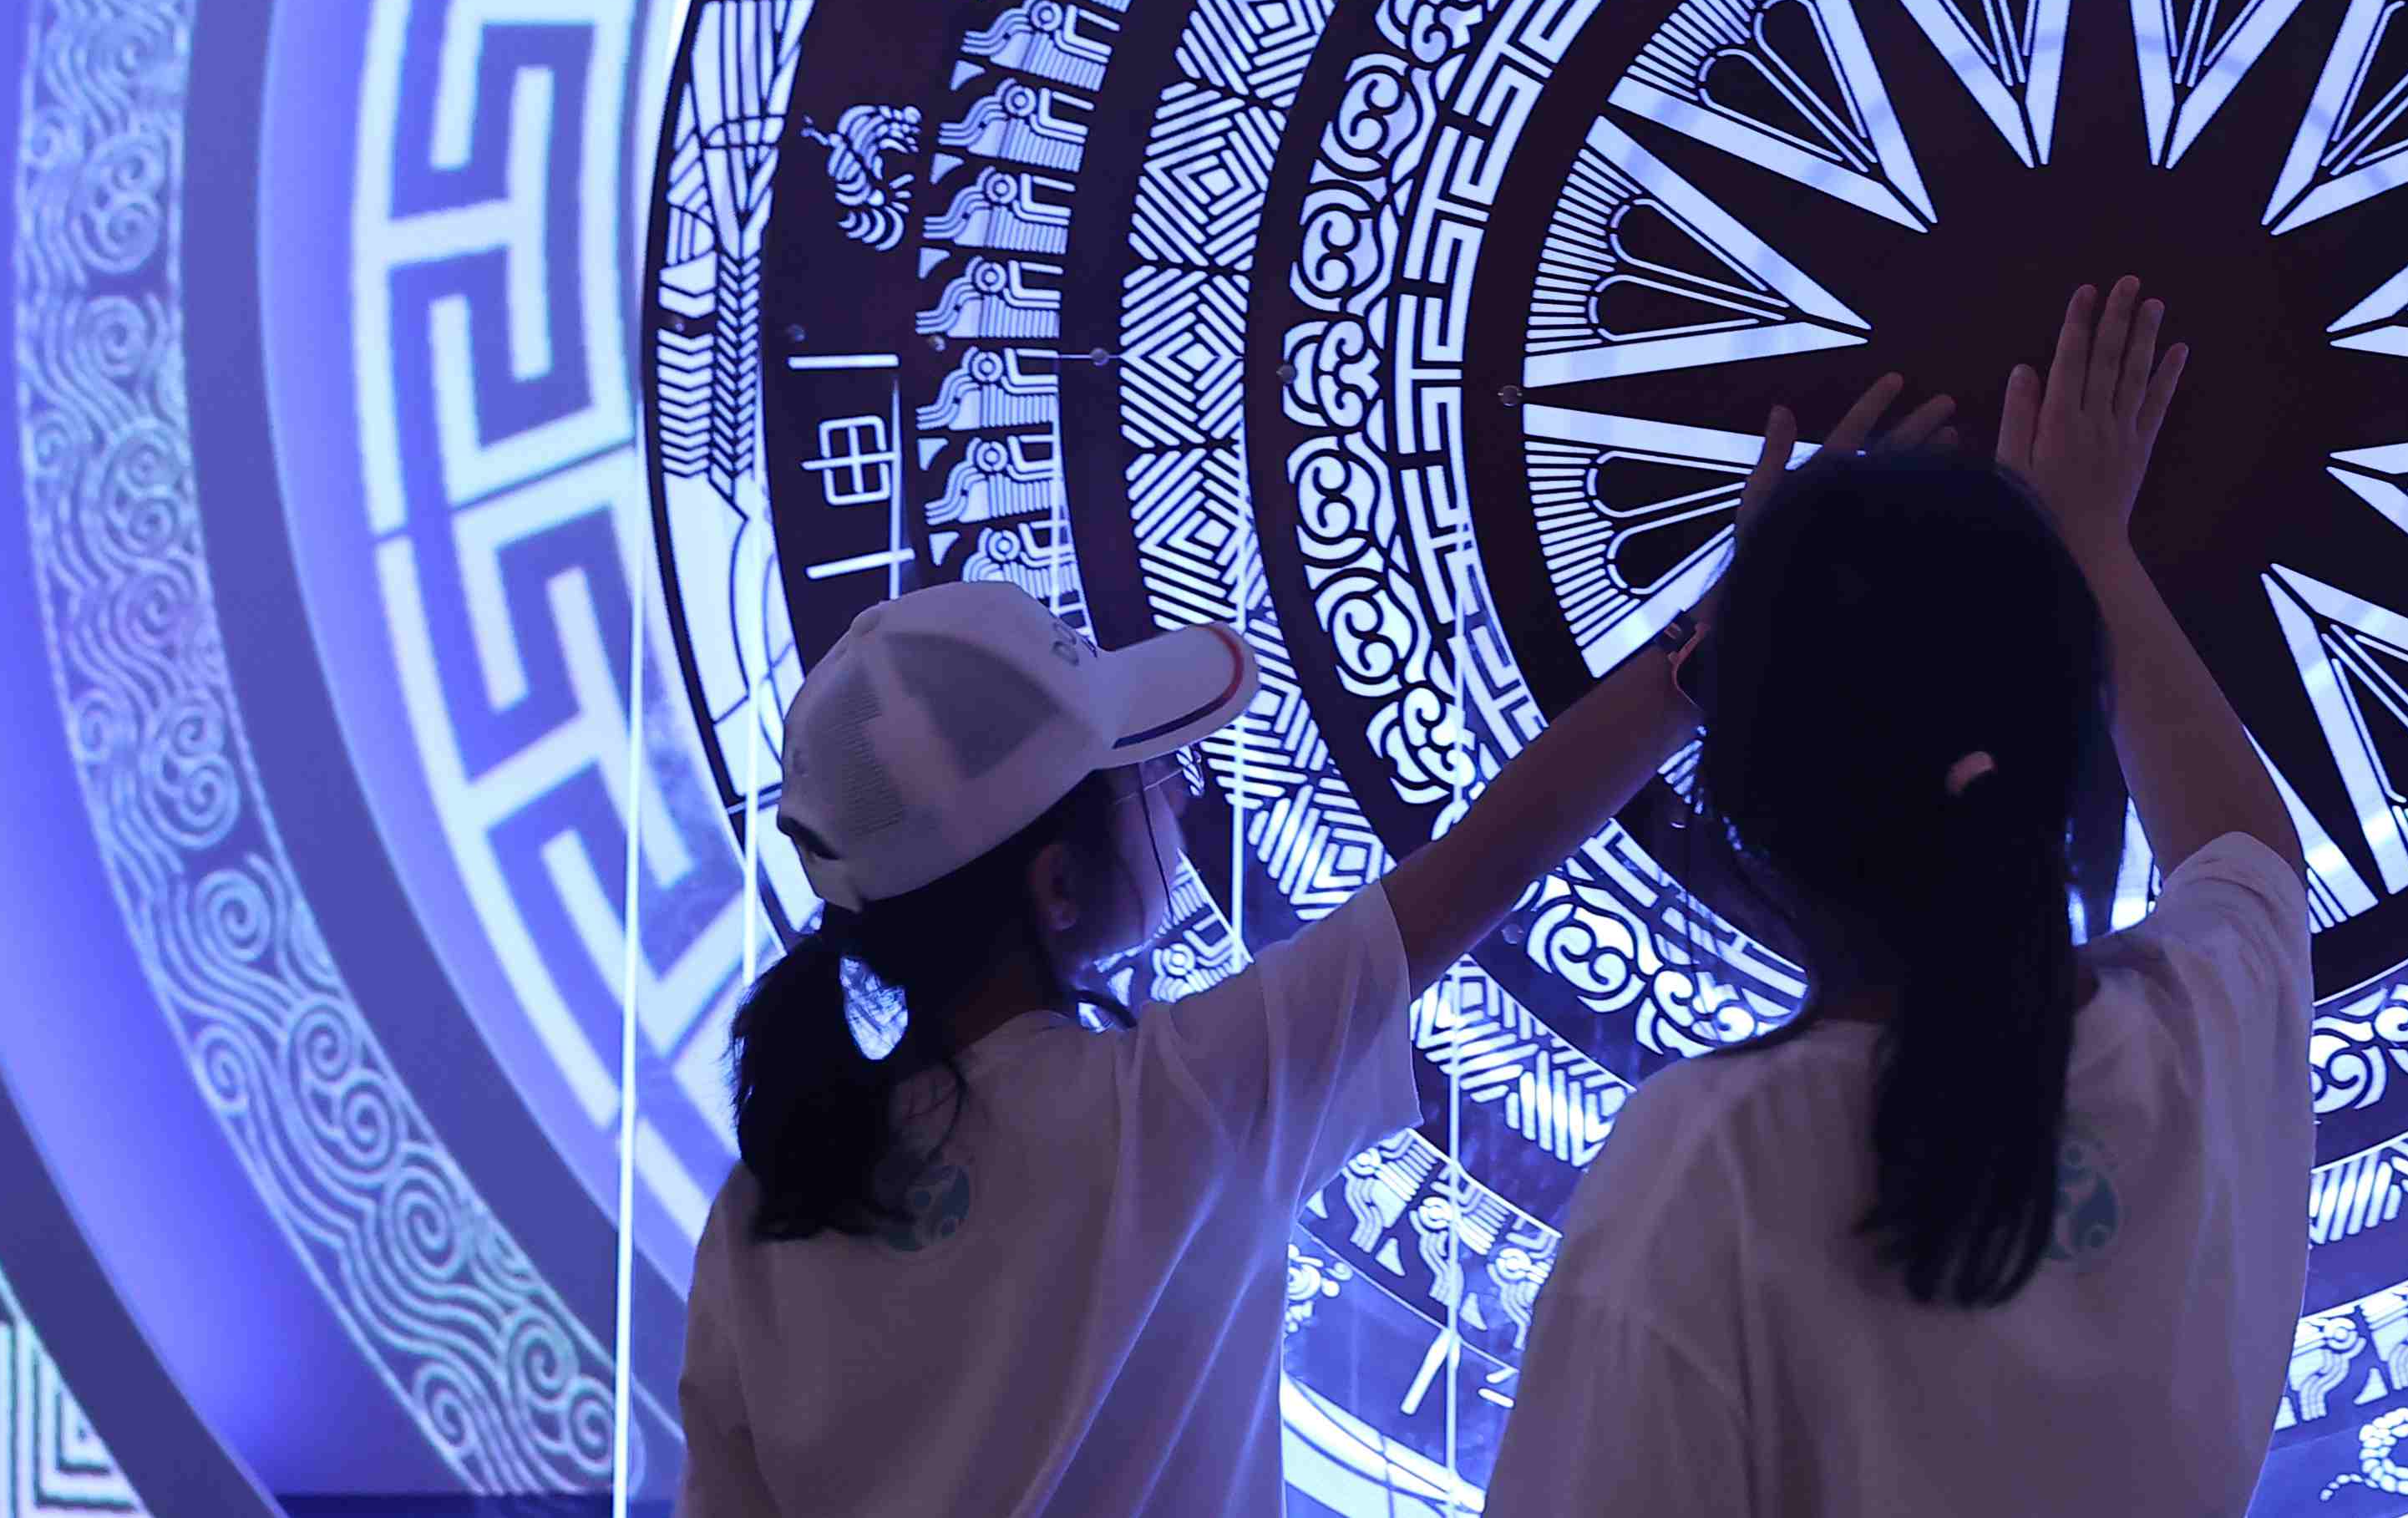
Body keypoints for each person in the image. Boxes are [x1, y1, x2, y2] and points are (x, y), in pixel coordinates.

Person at [673, 379, 1949, 1518]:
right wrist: (1715, 643)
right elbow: (1493, 853)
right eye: (1144, 770)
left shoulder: (760, 1212)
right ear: (1054, 887)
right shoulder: (1175, 1106)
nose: (1185, 788)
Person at [1485, 278, 2318, 1516]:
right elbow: (2248, 858)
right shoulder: (2194, 1046)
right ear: (2067, 752)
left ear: (1750, 811)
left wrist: (1735, 643)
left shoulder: (1708, 1166)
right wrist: (2090, 542)